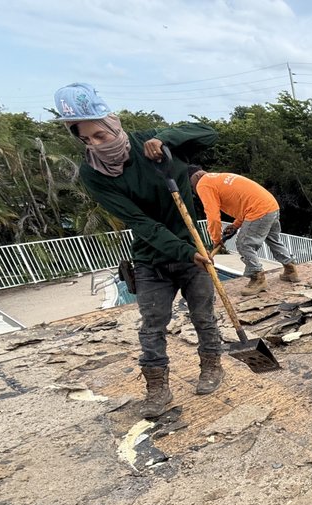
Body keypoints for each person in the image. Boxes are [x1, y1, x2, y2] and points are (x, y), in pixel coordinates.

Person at [54, 82, 223, 418]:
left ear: (112, 122)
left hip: (192, 252)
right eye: (85, 139)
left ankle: (212, 367)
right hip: (152, 258)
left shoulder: (151, 140)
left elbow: (208, 133)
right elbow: (141, 223)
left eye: (99, 135)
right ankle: (157, 388)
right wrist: (184, 251)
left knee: (203, 316)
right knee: (152, 325)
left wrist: (168, 140)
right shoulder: (94, 173)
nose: (95, 144)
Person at [188, 167, 300, 295]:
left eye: (190, 184)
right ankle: (291, 270)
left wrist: (216, 239)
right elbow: (245, 202)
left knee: (244, 244)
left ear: (195, 178)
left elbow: (213, 217)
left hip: (259, 210)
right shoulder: (218, 178)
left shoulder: (203, 184)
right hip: (271, 206)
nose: (193, 189)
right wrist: (235, 225)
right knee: (273, 240)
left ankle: (258, 278)